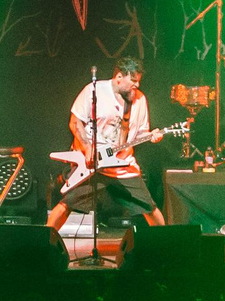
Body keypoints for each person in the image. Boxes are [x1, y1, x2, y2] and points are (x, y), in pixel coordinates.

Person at [48, 59, 170, 234]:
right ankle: (45, 241)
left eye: (139, 81)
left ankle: (165, 242)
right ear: (119, 77)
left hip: (122, 165)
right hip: (93, 164)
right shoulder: (94, 90)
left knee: (149, 207)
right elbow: (75, 123)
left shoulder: (140, 99)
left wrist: (152, 136)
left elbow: (140, 132)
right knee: (66, 204)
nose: (137, 85)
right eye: (133, 80)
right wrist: (87, 147)